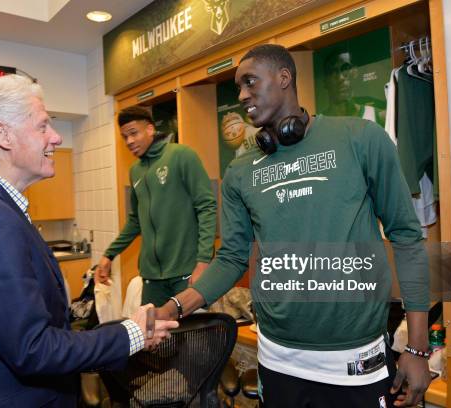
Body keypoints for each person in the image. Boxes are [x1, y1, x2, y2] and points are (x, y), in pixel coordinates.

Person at [156, 44, 431, 407]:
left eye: (250, 82)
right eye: (238, 87)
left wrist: (417, 347)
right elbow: (232, 257)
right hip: (277, 360)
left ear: (284, 78)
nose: (241, 96)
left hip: (354, 361)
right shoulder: (240, 171)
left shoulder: (360, 138)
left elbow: (407, 237)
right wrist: (173, 308)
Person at [0, 75, 178, 407]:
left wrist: (123, 326)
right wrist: (132, 334)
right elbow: (33, 348)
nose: (57, 138)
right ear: (3, 135)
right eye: (43, 126)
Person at [95, 106, 216, 307]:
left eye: (134, 133)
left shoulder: (181, 155)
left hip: (185, 271)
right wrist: (109, 255)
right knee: (153, 336)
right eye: (125, 137)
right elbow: (135, 221)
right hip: (151, 277)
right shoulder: (135, 171)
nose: (130, 141)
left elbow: (207, 207)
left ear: (150, 129)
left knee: (190, 337)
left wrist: (203, 261)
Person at [321, 49, 385, 125]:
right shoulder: (318, 125)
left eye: (345, 68)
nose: (340, 77)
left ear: (355, 72)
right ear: (325, 81)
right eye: (332, 72)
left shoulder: (378, 117)